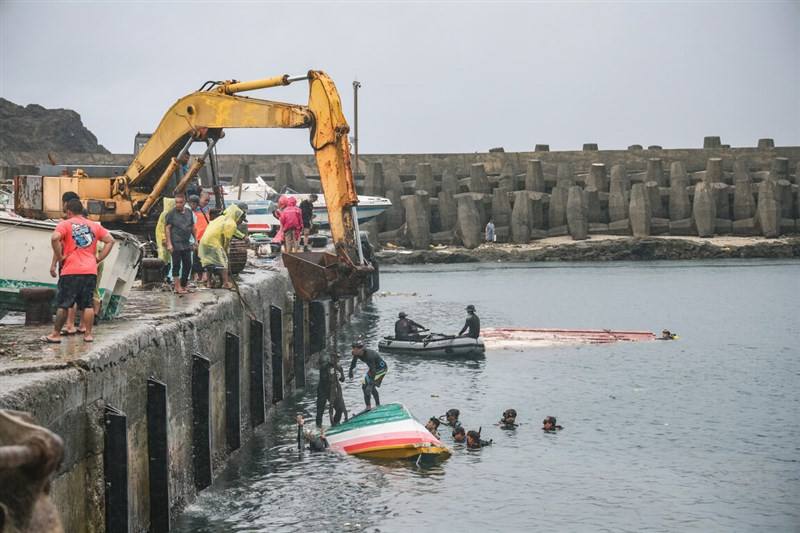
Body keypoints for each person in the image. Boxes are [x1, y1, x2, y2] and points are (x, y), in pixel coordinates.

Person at [45, 198, 115, 343]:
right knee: (87, 304)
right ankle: (88, 335)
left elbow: (54, 238)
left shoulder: (64, 224)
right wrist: (98, 258)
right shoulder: (93, 225)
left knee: (64, 304)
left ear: (69, 211)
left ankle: (56, 334)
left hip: (70, 270)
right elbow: (110, 240)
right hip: (90, 270)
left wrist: (60, 257)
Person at [198, 203, 246, 289]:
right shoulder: (231, 223)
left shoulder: (220, 218)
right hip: (214, 243)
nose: (240, 222)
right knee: (223, 263)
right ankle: (225, 283)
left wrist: (242, 236)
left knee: (209, 263)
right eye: (241, 220)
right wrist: (225, 251)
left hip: (203, 242)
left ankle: (209, 283)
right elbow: (227, 238)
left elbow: (233, 231)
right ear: (237, 217)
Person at [165, 193, 197, 294]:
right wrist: (169, 243)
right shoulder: (171, 213)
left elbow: (192, 227)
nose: (178, 204)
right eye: (176, 202)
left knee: (188, 264)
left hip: (186, 243)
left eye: (180, 202)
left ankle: (183, 285)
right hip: (175, 243)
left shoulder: (188, 212)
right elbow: (167, 228)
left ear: (184, 202)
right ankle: (177, 286)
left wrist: (196, 240)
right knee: (176, 265)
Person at [348, 339, 388, 410]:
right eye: (353, 348)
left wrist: (370, 385)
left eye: (355, 348)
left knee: (370, 387)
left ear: (361, 349)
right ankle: (368, 407)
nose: (353, 350)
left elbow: (373, 370)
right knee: (364, 386)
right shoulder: (356, 353)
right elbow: (354, 362)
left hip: (381, 369)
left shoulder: (369, 356)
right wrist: (350, 370)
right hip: (373, 369)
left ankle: (378, 405)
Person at [316, 351, 346, 427]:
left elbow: (342, 379)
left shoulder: (339, 367)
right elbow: (323, 378)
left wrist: (341, 377)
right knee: (320, 410)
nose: (335, 360)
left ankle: (336, 423)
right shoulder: (324, 366)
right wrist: (332, 375)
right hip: (322, 390)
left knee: (339, 408)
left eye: (337, 359)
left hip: (332, 391)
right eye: (334, 358)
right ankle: (318, 426)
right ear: (330, 358)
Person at [189, 194, 210, 282]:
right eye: (205, 200)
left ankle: (202, 275)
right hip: (195, 238)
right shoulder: (190, 211)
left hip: (202, 237)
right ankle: (196, 275)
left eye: (208, 201)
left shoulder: (204, 210)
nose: (207, 202)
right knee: (195, 258)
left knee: (201, 257)